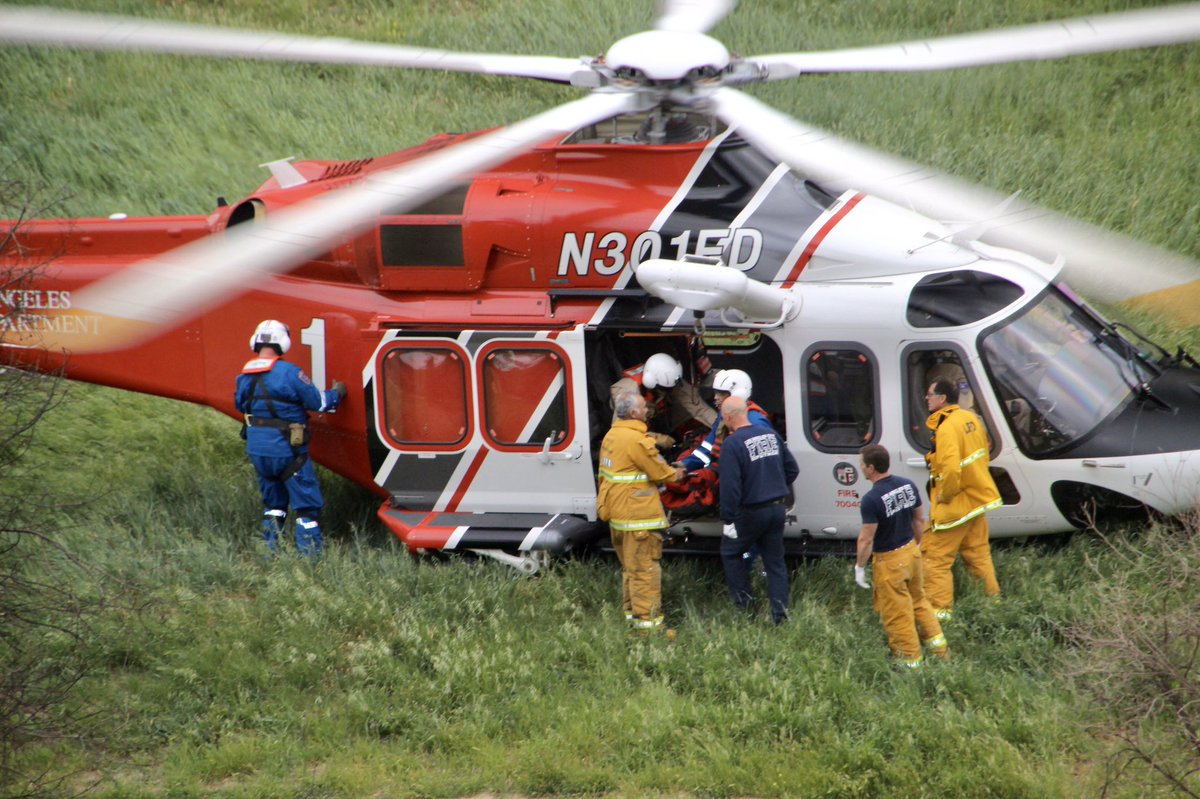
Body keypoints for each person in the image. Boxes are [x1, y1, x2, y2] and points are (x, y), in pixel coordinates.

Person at [235, 319, 346, 555]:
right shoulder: (290, 373)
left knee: (274, 506)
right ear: (283, 342)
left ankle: (269, 554)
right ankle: (310, 560)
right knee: (307, 509)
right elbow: (318, 403)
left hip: (258, 452)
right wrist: (338, 394)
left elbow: (239, 404)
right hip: (288, 452)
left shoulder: (244, 375)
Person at [596, 391, 685, 634]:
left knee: (631, 570)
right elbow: (662, 473)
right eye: (644, 407)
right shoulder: (638, 441)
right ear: (634, 412)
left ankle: (632, 617)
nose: (648, 410)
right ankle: (649, 629)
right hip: (639, 520)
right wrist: (678, 472)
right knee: (645, 572)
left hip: (618, 516)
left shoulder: (612, 435)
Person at [855, 444, 948, 668]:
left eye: (862, 464)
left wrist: (860, 567)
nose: (860, 468)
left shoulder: (871, 499)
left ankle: (910, 662)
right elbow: (918, 519)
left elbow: (866, 539)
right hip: (911, 553)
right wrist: (916, 545)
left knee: (897, 613)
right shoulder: (907, 485)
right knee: (919, 602)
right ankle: (940, 650)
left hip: (890, 562)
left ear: (871, 468)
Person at [922, 378, 1003, 619]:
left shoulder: (946, 428)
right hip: (977, 499)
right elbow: (983, 454)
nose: (927, 398)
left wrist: (944, 498)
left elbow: (950, 470)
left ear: (942, 399)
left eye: (930, 394)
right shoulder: (971, 419)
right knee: (978, 555)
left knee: (935, 558)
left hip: (956, 505)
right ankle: (994, 604)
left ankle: (939, 613)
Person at [717, 396, 799, 624]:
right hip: (776, 509)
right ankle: (780, 616)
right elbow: (792, 469)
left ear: (728, 417)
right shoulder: (771, 436)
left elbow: (730, 487)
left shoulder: (732, 444)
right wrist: (774, 484)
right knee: (775, 563)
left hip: (749, 512)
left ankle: (746, 611)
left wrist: (728, 518)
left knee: (731, 553)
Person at [611, 352, 716, 449]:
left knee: (685, 407)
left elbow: (700, 409)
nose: (672, 390)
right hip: (631, 433)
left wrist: (722, 428)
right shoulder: (628, 391)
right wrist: (658, 439)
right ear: (651, 383)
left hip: (655, 421)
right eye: (667, 389)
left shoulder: (671, 380)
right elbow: (623, 431)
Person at [678, 368, 773, 472]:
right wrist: (685, 465)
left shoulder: (757, 423)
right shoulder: (724, 417)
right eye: (716, 393)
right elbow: (709, 448)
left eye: (721, 393)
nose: (715, 397)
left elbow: (762, 466)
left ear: (737, 394)